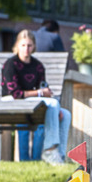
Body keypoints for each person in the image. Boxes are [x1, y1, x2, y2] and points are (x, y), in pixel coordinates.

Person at [1, 29, 71, 165]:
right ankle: (49, 149)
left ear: (34, 47)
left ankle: (59, 156)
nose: (26, 49)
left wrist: (49, 100)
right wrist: (40, 93)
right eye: (23, 45)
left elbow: (42, 88)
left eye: (29, 45)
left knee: (66, 114)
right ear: (17, 46)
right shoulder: (11, 64)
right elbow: (16, 94)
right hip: (12, 101)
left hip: (31, 101)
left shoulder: (37, 65)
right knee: (52, 106)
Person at [19, 20, 65, 160]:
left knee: (23, 123)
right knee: (41, 120)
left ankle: (24, 160)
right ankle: (39, 157)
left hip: (23, 95)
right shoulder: (54, 38)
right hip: (42, 91)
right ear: (55, 30)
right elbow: (64, 63)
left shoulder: (28, 37)